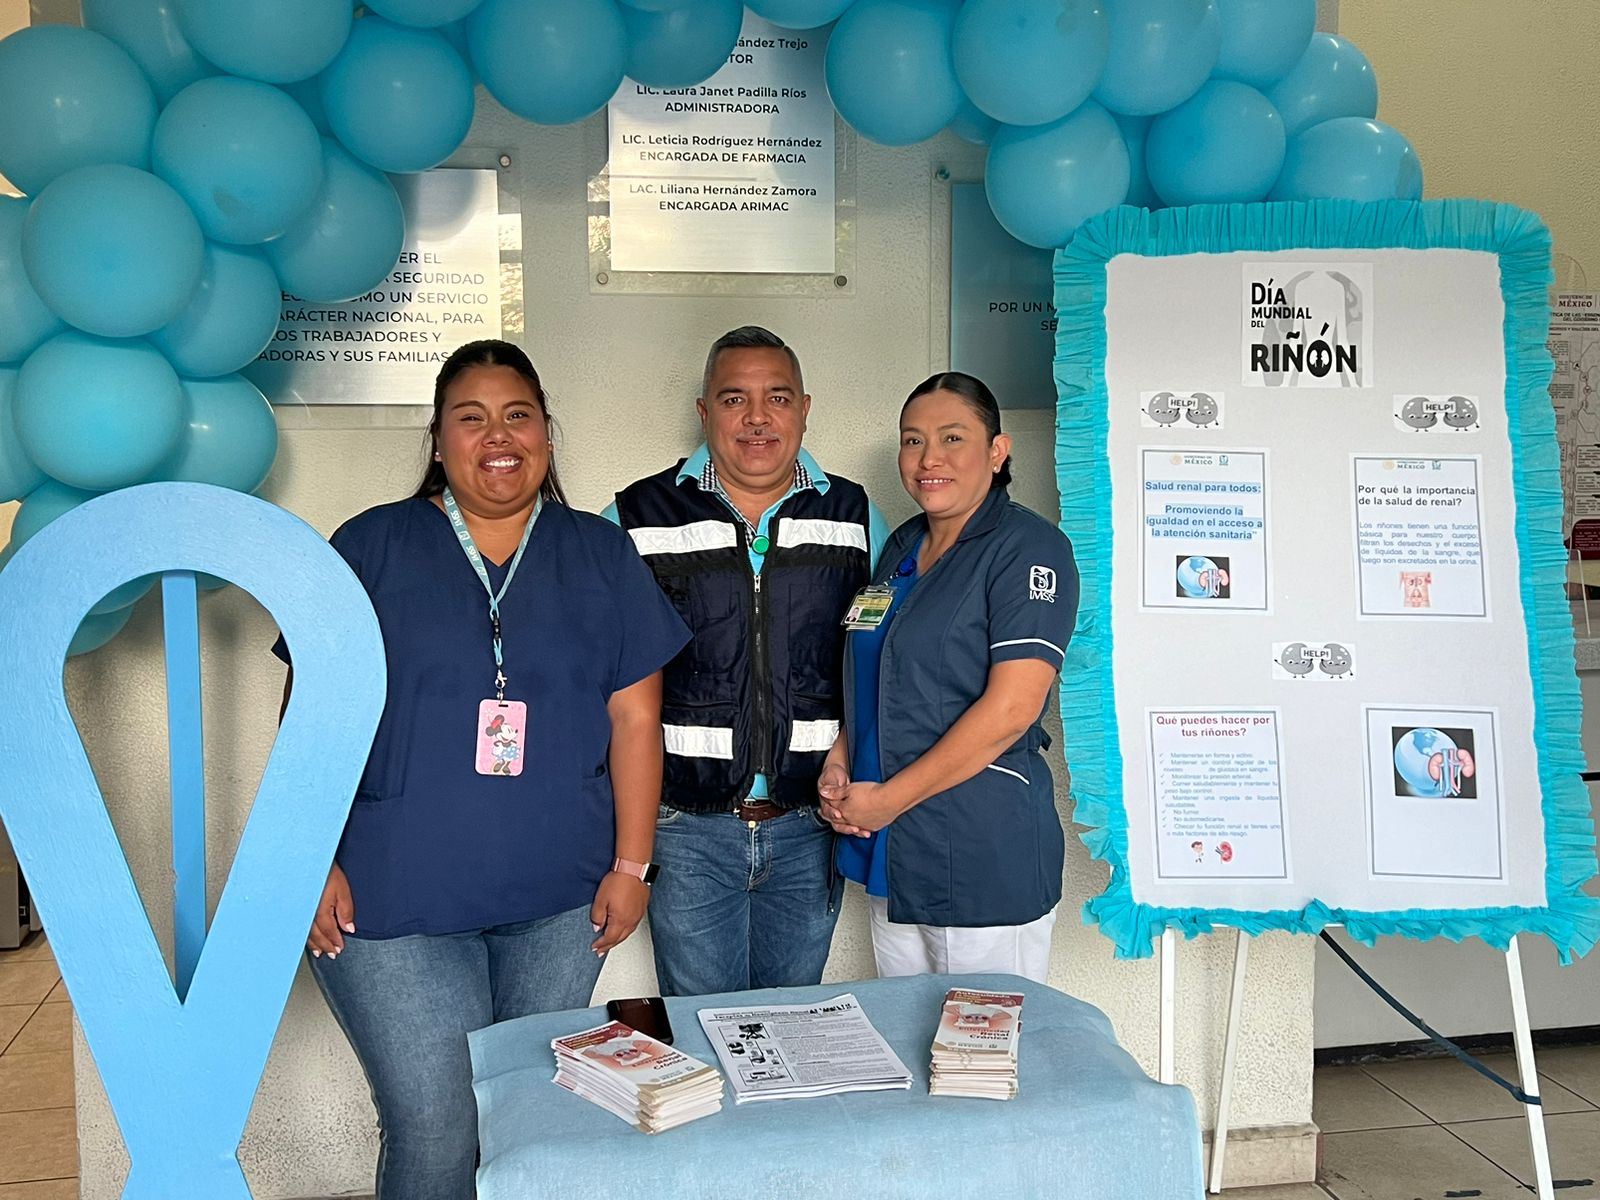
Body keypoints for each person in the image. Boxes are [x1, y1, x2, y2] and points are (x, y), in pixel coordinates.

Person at [279, 339, 689, 1200]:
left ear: (547, 433)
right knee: (436, 1127)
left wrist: (632, 865)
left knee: (527, 1120)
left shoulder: (600, 554)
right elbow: (308, 715)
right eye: (471, 418)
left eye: (518, 416)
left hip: (559, 902)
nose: (498, 436)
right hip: (392, 903)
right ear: (438, 439)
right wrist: (307, 854)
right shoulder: (370, 546)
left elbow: (635, 720)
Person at [605, 326, 889, 996]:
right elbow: (592, 666)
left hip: (809, 826)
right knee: (703, 1029)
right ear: (704, 412)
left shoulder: (855, 516)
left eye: (778, 398)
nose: (758, 418)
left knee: (790, 1030)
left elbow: (888, 658)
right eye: (735, 399)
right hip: (685, 829)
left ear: (804, 409)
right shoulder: (636, 515)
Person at [820, 371, 1079, 984]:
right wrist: (841, 758)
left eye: (952, 438)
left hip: (978, 847)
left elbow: (1012, 709)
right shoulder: (902, 549)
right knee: (905, 1028)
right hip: (893, 850)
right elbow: (878, 674)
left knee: (978, 1039)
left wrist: (886, 801)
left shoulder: (1028, 549)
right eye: (913, 440)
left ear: (997, 451)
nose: (929, 458)